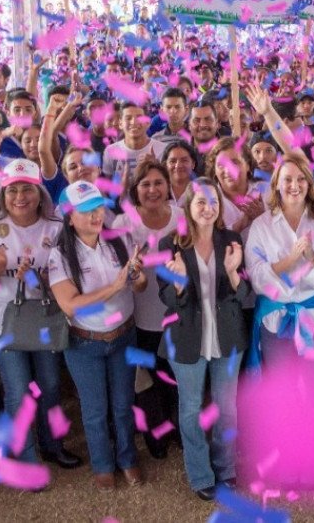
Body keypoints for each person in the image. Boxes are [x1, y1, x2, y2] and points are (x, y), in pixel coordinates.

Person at [0, 159, 82, 469]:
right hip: (2, 322)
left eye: (27, 189)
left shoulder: (57, 228)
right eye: (12, 191)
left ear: (40, 193)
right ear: (2, 196)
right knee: (18, 391)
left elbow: (70, 277)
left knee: (49, 386)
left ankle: (52, 446)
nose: (20, 197)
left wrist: (36, 278)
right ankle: (24, 456)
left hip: (46, 319)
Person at [47, 181, 147, 491]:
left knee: (122, 403)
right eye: (86, 210)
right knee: (94, 409)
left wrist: (137, 276)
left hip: (123, 336)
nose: (95, 216)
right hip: (84, 342)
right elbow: (70, 304)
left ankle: (127, 459)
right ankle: (103, 464)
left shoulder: (118, 241)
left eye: (98, 208)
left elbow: (140, 287)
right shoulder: (59, 255)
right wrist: (115, 288)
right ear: (69, 216)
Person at [156, 178, 250, 501]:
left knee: (228, 408)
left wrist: (235, 273)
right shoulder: (169, 245)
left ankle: (226, 468)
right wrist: (180, 284)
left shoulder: (233, 241)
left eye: (214, 202)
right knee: (191, 409)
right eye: (200, 202)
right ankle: (200, 474)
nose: (208, 208)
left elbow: (245, 293)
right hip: (187, 339)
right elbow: (166, 296)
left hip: (227, 337)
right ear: (188, 207)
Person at [111, 156, 183, 459]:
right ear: (135, 189)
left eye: (158, 183)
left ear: (168, 186)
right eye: (145, 184)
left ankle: (179, 428)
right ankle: (156, 433)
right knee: (147, 382)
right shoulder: (123, 223)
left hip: (176, 314)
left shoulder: (181, 216)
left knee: (174, 377)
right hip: (138, 317)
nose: (152, 189)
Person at [244, 152, 314, 367]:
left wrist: (312, 256)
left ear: (309, 184)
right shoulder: (261, 225)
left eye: (301, 179)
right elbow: (256, 276)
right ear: (277, 184)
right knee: (280, 393)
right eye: (287, 179)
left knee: (313, 390)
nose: (294, 185)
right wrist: (290, 260)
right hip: (275, 321)